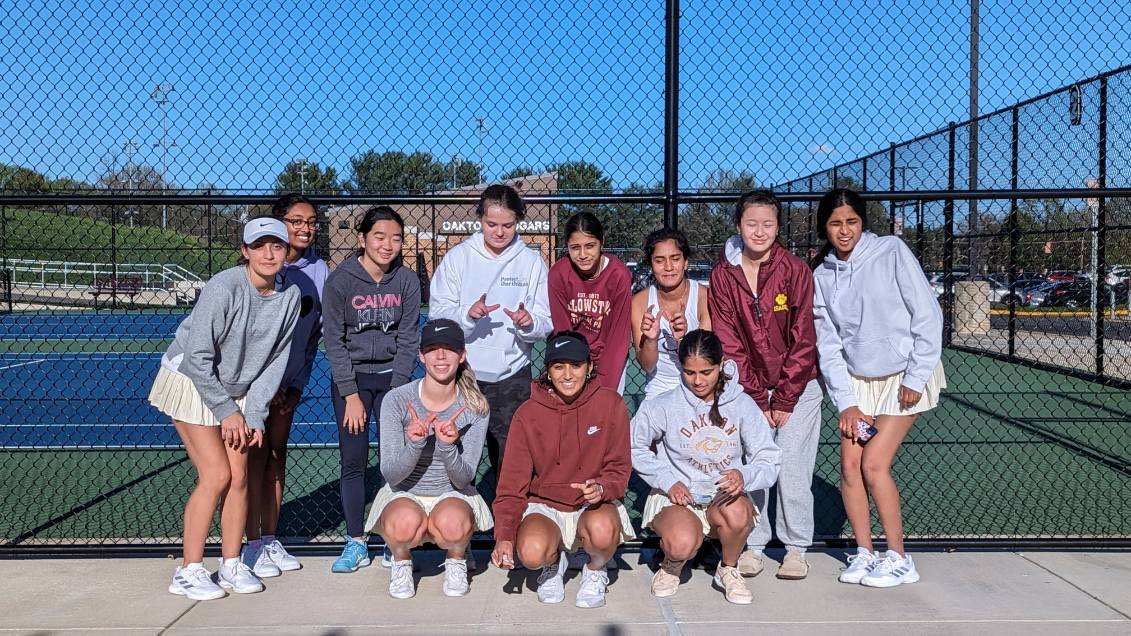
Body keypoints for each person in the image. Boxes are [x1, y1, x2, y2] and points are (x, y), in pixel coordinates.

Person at [149, 217, 300, 600]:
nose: (269, 253)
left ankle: (231, 563)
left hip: (239, 391)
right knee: (216, 475)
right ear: (245, 251)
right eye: (260, 245)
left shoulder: (291, 297)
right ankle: (189, 570)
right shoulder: (224, 287)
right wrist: (227, 410)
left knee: (241, 475)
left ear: (287, 252)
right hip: (191, 381)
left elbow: (275, 362)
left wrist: (253, 414)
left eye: (277, 246)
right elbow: (198, 357)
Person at [810, 188, 945, 588]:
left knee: (874, 464)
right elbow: (829, 344)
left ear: (863, 223)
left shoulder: (891, 251)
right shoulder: (821, 275)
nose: (844, 230)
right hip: (858, 384)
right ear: (825, 228)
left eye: (852, 221)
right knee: (850, 466)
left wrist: (916, 376)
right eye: (836, 223)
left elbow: (927, 313)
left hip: (903, 378)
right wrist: (847, 402)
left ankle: (900, 558)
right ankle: (866, 553)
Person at [708, 189, 821, 580]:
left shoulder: (795, 270)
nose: (760, 231)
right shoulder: (723, 275)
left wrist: (786, 396)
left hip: (798, 387)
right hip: (748, 390)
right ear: (738, 225)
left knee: (792, 468)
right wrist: (757, 394)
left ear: (778, 226)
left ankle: (795, 547)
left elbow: (804, 338)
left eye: (768, 224)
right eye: (752, 223)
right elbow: (728, 340)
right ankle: (754, 545)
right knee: (754, 466)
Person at [632, 329, 781, 604]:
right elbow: (634, 447)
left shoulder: (742, 404)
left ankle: (728, 568)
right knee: (681, 543)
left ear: (721, 364)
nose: (698, 381)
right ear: (680, 367)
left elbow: (768, 458)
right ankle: (671, 565)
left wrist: (743, 476)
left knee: (738, 513)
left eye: (706, 372)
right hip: (678, 497)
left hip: (721, 497)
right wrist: (666, 480)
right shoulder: (663, 405)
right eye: (690, 373)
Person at [490, 331, 635, 609]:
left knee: (603, 531)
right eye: (558, 366)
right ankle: (553, 563)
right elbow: (511, 484)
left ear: (589, 367)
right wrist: (505, 536)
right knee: (531, 553)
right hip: (546, 505)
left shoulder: (611, 404)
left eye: (576, 366)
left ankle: (595, 569)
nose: (567, 375)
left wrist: (602, 487)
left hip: (591, 505)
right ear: (548, 370)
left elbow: (619, 468)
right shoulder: (527, 413)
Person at [321, 206, 421, 573]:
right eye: (379, 236)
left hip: (394, 380)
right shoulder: (340, 281)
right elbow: (334, 339)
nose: (388, 245)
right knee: (354, 461)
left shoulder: (407, 281)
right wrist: (350, 395)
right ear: (362, 239)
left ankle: (391, 539)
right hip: (354, 384)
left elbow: (409, 338)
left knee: (393, 462)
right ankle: (355, 541)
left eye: (396, 237)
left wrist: (397, 393)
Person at [429, 184, 552, 479]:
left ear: (518, 222)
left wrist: (528, 324)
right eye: (491, 224)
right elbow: (437, 316)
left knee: (510, 461)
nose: (499, 232)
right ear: (479, 221)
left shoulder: (531, 262)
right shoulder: (458, 258)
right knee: (454, 455)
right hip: (463, 375)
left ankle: (507, 522)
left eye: (507, 225)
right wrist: (467, 317)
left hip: (512, 377)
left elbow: (546, 321)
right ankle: (455, 521)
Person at [364, 319, 493, 599]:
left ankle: (457, 558)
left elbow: (464, 478)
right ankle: (401, 562)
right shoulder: (397, 400)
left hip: (451, 492)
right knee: (402, 524)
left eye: (449, 349)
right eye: (433, 349)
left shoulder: (476, 406)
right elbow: (391, 475)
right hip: (404, 492)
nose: (441, 356)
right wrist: (415, 444)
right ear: (421, 356)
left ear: (462, 355)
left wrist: (447, 447)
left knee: (453, 524)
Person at [243, 194, 329, 578]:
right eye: (296, 221)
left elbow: (313, 337)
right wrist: (262, 386)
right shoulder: (258, 270)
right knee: (250, 462)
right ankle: (248, 545)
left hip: (287, 387)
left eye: (311, 221)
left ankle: (270, 539)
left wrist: (294, 385)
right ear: (279, 223)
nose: (305, 228)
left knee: (277, 458)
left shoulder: (319, 271)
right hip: (250, 386)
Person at [548, 211, 632, 391]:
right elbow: (563, 329)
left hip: (609, 355)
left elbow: (619, 335)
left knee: (603, 413)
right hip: (573, 356)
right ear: (567, 247)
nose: (583, 254)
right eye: (575, 247)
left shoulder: (619, 274)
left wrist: (605, 384)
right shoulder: (559, 274)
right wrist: (574, 367)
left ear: (602, 241)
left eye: (590, 246)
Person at [631, 228, 711, 401]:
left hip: (699, 385)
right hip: (659, 387)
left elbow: (706, 361)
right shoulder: (639, 301)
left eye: (675, 259)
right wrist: (651, 339)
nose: (668, 267)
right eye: (659, 261)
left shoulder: (704, 297)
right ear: (651, 264)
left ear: (686, 262)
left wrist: (683, 339)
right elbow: (647, 366)